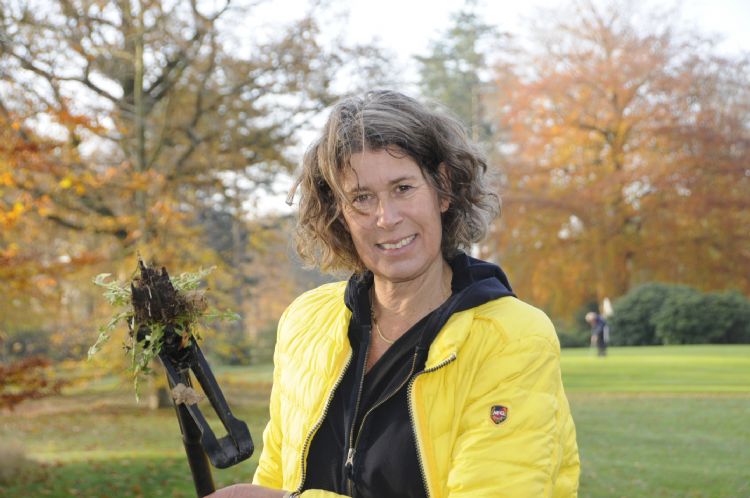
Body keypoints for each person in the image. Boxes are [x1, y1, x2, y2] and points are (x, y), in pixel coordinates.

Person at [208, 90, 579, 498]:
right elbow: (276, 476)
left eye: (402, 188)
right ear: (339, 214)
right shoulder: (305, 321)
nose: (387, 218)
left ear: (442, 188)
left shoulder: (511, 338)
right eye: (362, 198)